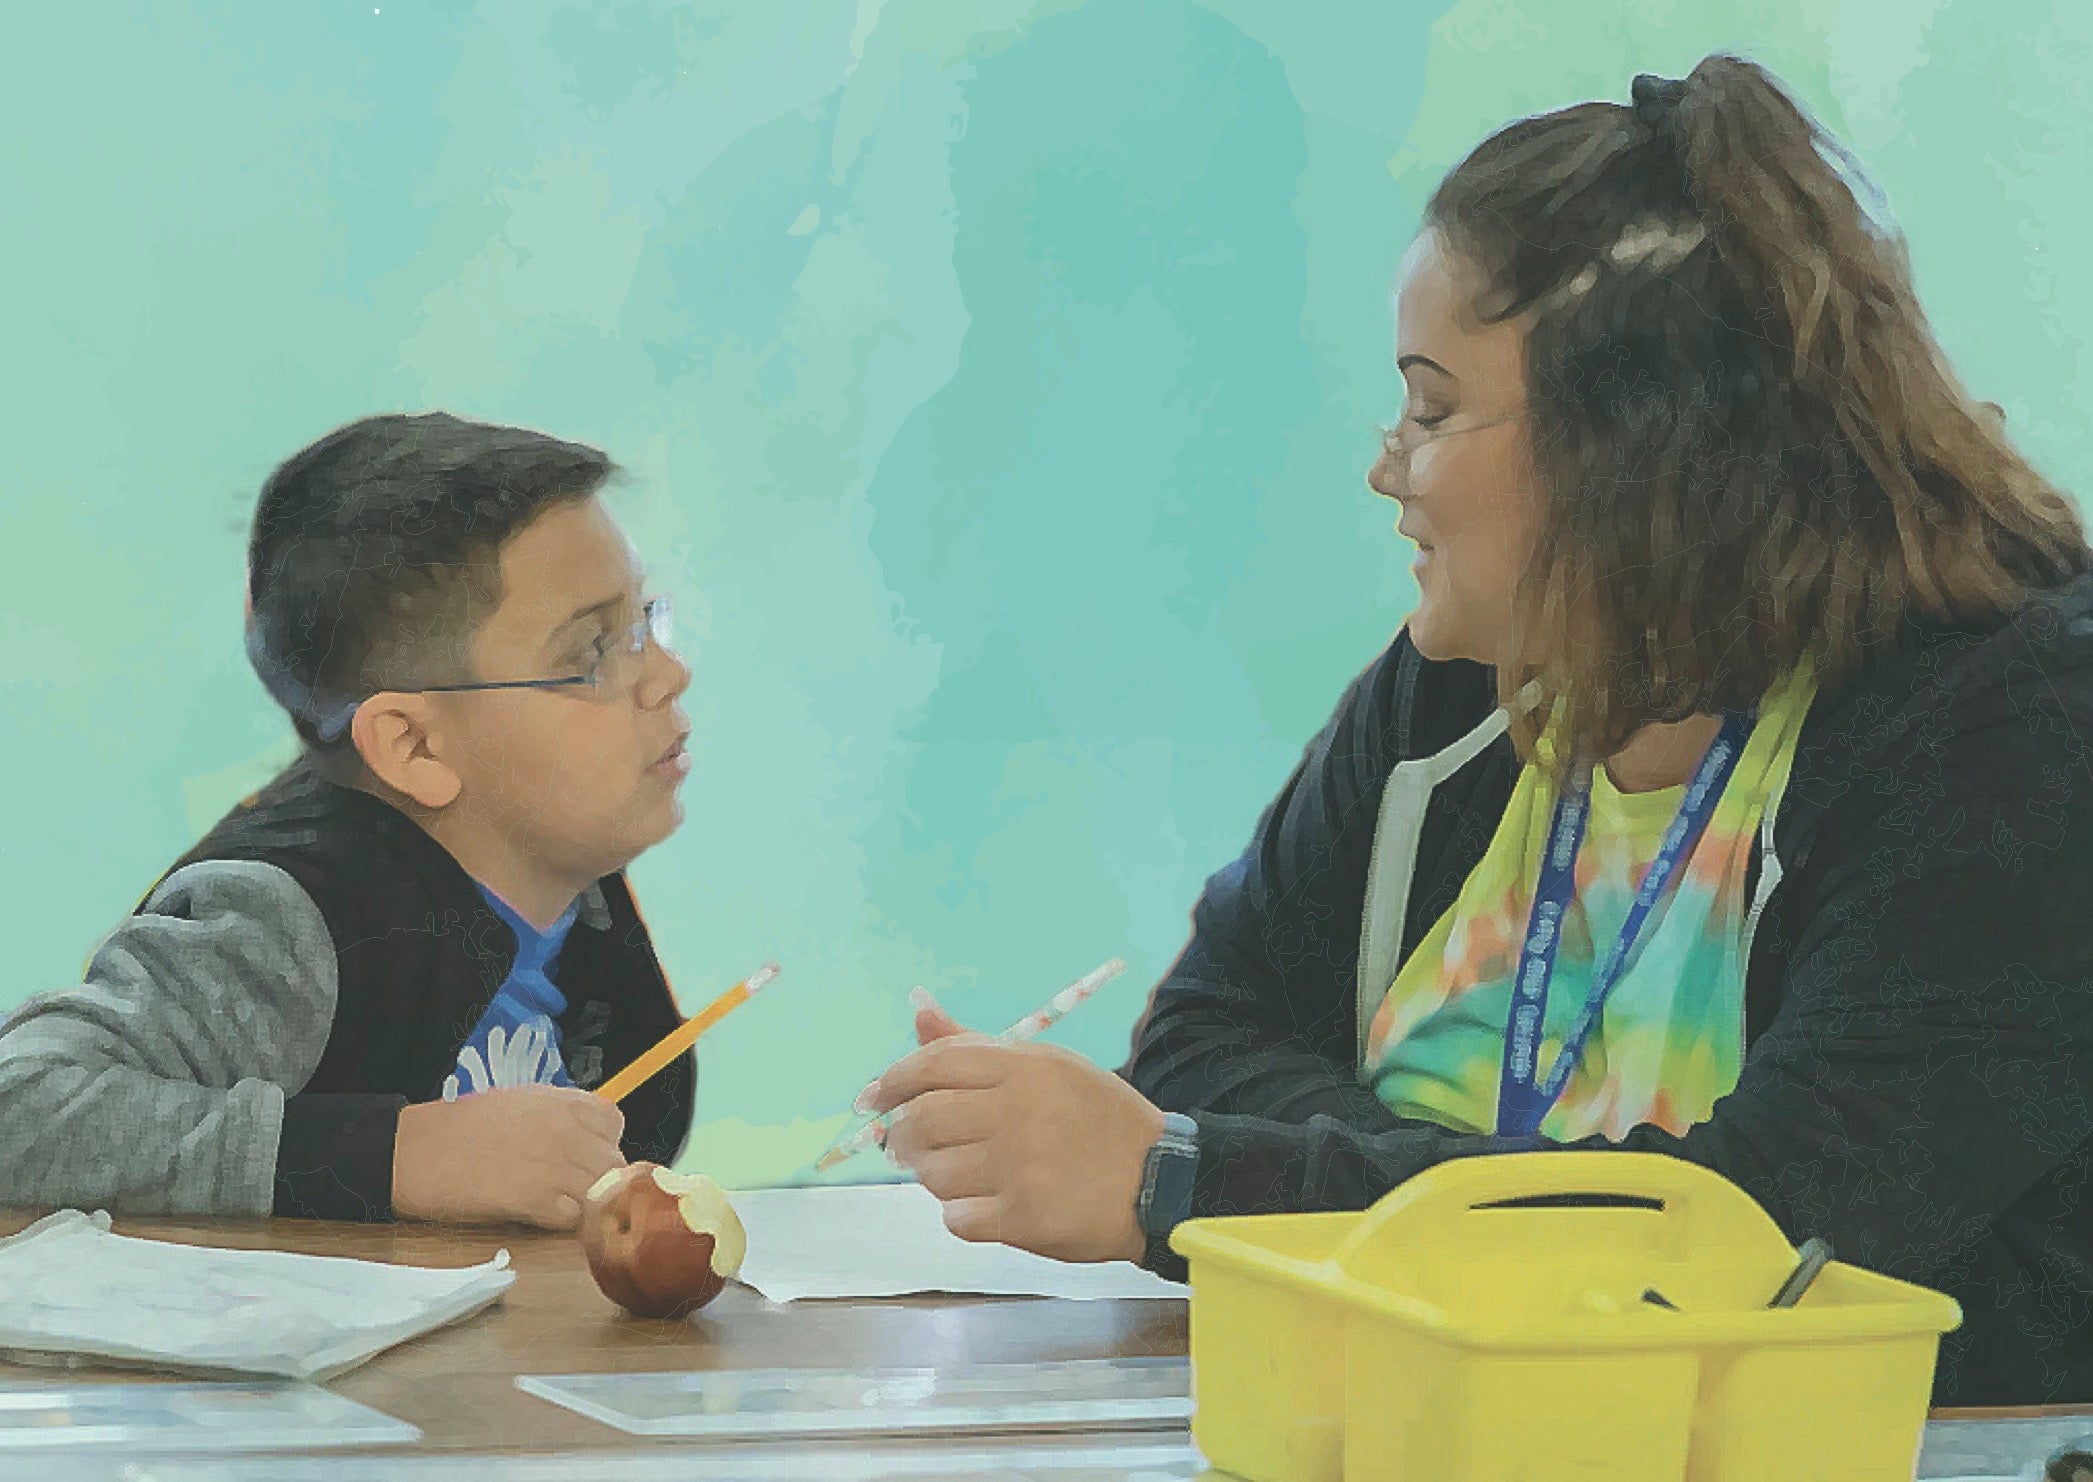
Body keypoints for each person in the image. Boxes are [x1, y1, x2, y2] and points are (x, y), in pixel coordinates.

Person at [857, 55, 2093, 1406]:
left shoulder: (2003, 732)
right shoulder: (1469, 677)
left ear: (1634, 449)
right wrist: (1523, 1200)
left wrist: (1191, 1180)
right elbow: (1201, 1035)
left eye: (1433, 406)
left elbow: (1762, 1249)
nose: (1386, 462)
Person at [0, 413, 699, 1231]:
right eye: (588, 652)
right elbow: (19, 1105)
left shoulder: (574, 887)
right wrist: (396, 1155)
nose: (669, 675)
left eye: (643, 623)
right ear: (411, 744)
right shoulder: (288, 924)